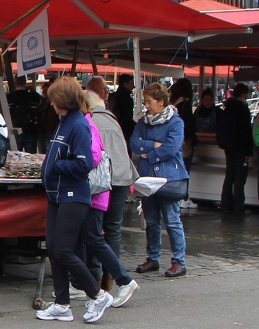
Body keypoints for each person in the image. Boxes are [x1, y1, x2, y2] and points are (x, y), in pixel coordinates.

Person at [35, 76, 113, 322]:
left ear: (63, 100)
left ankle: (98, 294)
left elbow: (84, 163)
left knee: (64, 250)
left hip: (72, 195)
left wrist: (56, 166)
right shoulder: (65, 121)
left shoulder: (78, 124)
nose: (50, 104)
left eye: (53, 99)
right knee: (55, 249)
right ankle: (62, 303)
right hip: (58, 195)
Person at [83, 89, 138, 307]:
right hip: (122, 177)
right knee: (112, 229)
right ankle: (109, 279)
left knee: (95, 232)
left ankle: (97, 280)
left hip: (105, 180)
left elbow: (95, 154)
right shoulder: (112, 119)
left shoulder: (92, 121)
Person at [130, 82, 189, 278]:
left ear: (161, 102)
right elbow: (134, 143)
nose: (146, 105)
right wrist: (153, 145)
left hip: (168, 178)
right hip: (147, 178)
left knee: (172, 221)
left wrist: (150, 154)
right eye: (145, 101)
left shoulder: (176, 122)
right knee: (151, 220)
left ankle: (179, 261)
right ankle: (152, 258)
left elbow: (171, 148)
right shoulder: (143, 121)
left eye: (149, 102)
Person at [218, 83, 254, 214]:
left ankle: (225, 204)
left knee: (229, 176)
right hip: (240, 147)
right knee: (240, 177)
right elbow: (246, 131)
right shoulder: (243, 109)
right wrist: (249, 151)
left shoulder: (228, 108)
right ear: (244, 94)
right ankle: (238, 205)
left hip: (229, 147)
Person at [170, 78, 198, 209]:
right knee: (185, 170)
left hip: (172, 142)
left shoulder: (172, 105)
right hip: (184, 142)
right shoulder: (186, 105)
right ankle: (183, 196)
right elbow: (189, 125)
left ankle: (176, 195)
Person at [7, 76, 45, 153]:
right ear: (25, 82)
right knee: (31, 157)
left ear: (15, 82)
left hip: (14, 130)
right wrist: (34, 92)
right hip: (31, 130)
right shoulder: (34, 97)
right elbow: (43, 105)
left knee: (15, 157)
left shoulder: (9, 97)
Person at [110, 73, 137, 146]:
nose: (133, 86)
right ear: (125, 84)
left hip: (113, 128)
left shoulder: (113, 96)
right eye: (131, 83)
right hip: (124, 131)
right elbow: (127, 118)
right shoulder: (126, 99)